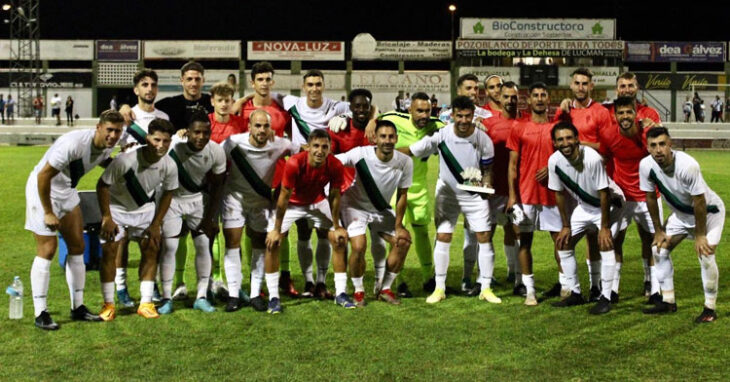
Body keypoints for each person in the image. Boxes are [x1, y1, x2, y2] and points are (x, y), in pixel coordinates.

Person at [25, 110, 125, 330]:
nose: (113, 135)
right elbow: (43, 175)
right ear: (98, 127)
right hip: (43, 189)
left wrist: (121, 163)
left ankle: (77, 306)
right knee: (48, 249)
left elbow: (101, 159)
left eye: (118, 131)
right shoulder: (73, 143)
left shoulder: (108, 145)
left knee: (78, 246)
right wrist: (48, 211)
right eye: (109, 129)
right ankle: (40, 311)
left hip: (67, 189)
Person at [399, 96, 499, 305]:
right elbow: (412, 150)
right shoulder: (442, 135)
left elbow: (487, 169)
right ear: (452, 115)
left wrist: (486, 186)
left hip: (473, 195)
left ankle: (486, 287)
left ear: (473, 116)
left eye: (467, 116)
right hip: (447, 195)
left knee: (484, 236)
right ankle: (439, 287)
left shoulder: (483, 139)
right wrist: (378, 152)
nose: (463, 120)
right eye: (459, 116)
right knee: (443, 236)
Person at [96, 118, 178, 321]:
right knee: (109, 250)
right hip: (117, 208)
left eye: (166, 141)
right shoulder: (125, 160)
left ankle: (146, 302)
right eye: (157, 139)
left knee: (152, 247)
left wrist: (156, 223)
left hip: (144, 210)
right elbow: (102, 185)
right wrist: (107, 217)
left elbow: (168, 193)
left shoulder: (169, 165)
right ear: (147, 138)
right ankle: (108, 304)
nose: (161, 145)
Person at [640, 127, 724, 323]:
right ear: (648, 148)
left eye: (662, 144)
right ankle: (668, 301)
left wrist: (700, 235)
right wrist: (659, 231)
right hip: (681, 216)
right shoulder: (645, 166)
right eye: (653, 145)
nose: (658, 149)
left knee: (706, 254)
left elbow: (700, 202)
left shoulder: (688, 165)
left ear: (670, 145)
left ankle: (709, 308)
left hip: (709, 214)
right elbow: (650, 197)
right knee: (659, 250)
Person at [280, 70, 350, 298]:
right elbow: (265, 96)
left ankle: (321, 281)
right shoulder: (292, 103)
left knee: (323, 233)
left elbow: (366, 108)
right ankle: (309, 281)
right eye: (310, 84)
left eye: (318, 84)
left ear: (323, 85)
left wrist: (346, 117)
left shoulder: (335, 106)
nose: (314, 88)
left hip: (324, 173)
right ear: (303, 86)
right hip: (300, 172)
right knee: (302, 231)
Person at [264, 129, 348, 313]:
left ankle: (339, 292)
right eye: (316, 146)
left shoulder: (334, 165)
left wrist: (337, 225)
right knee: (272, 242)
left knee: (339, 239)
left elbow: (334, 195)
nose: (320, 151)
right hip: (291, 204)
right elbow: (284, 196)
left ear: (330, 148)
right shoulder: (295, 163)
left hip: (316, 202)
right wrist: (277, 229)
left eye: (324, 147)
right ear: (308, 147)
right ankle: (273, 297)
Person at [230, 61, 296, 298]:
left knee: (281, 229)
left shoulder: (282, 111)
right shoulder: (241, 110)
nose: (265, 84)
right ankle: (254, 276)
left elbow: (290, 141)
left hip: (278, 178)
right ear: (252, 82)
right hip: (251, 181)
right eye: (260, 79)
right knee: (252, 231)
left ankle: (284, 276)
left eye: (268, 79)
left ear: (273, 82)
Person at [548, 122, 625, 314]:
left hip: (609, 205)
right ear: (554, 143)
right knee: (563, 243)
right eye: (560, 139)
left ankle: (605, 297)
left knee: (605, 243)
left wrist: (604, 227)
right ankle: (575, 293)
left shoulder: (592, 158)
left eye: (569, 138)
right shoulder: (554, 161)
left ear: (576, 139)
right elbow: (558, 194)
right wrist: (565, 226)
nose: (565, 143)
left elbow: (605, 193)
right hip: (585, 207)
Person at [222, 109, 292, 312]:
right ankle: (234, 294)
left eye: (266, 126)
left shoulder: (280, 143)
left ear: (271, 128)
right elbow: (212, 154)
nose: (262, 130)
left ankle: (255, 294)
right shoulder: (233, 143)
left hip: (261, 202)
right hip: (234, 199)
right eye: (258, 125)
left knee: (260, 246)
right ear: (249, 127)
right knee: (232, 244)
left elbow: (304, 150)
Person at [336, 120, 412, 306]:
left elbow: (403, 195)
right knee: (359, 245)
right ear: (375, 139)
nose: (387, 140)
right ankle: (359, 290)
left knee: (403, 241)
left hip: (380, 209)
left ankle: (385, 288)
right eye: (383, 136)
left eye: (391, 136)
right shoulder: (360, 153)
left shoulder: (405, 162)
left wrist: (399, 225)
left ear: (396, 138)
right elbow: (335, 161)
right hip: (355, 206)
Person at [158, 111, 226, 314]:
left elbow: (217, 187)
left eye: (206, 133)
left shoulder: (216, 151)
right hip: (173, 200)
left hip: (198, 200)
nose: (201, 137)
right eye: (197, 132)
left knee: (203, 246)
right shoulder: (172, 148)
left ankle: (202, 296)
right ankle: (167, 298)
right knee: (170, 247)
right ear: (187, 132)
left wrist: (211, 218)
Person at [113, 69, 170, 307]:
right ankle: (121, 287)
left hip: (153, 188)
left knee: (152, 239)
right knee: (121, 239)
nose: (149, 89)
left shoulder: (164, 116)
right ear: (136, 89)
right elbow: (110, 146)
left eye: (153, 85)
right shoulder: (125, 117)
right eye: (144, 85)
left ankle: (150, 283)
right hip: (126, 188)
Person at [599, 96, 663, 304]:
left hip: (649, 197)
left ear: (636, 113)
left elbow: (664, 155)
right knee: (614, 241)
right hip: (622, 198)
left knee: (655, 242)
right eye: (621, 113)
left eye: (629, 112)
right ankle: (613, 289)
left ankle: (655, 289)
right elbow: (602, 161)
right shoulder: (609, 135)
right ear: (615, 115)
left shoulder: (648, 135)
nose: (625, 116)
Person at [380, 92, 445, 297]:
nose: (424, 115)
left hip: (418, 188)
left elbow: (457, 131)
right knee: (396, 236)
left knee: (422, 233)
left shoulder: (436, 126)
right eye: (419, 110)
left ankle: (428, 277)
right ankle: (397, 281)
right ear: (410, 110)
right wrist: (373, 122)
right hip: (394, 188)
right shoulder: (395, 119)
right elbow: (375, 119)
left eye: (427, 110)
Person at [556, 67, 612, 301]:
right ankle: (570, 287)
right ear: (571, 86)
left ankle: (597, 286)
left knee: (595, 237)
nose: (580, 87)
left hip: (594, 181)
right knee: (566, 235)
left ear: (591, 86)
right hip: (571, 181)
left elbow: (607, 148)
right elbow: (556, 140)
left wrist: (581, 144)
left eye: (584, 83)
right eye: (577, 83)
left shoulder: (600, 112)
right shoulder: (565, 112)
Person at [506, 82, 562, 306]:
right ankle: (530, 291)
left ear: (548, 100)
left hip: (551, 195)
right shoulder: (519, 127)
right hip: (525, 195)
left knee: (561, 242)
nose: (539, 99)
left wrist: (551, 169)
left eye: (543, 95)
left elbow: (566, 159)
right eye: (535, 95)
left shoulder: (557, 129)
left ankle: (565, 286)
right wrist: (512, 196)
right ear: (528, 101)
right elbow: (512, 165)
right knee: (525, 243)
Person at [120, 61, 214, 133]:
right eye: (189, 79)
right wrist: (124, 107)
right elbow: (145, 107)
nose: (193, 83)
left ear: (203, 81)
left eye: (197, 79)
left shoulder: (213, 103)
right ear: (182, 81)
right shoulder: (168, 105)